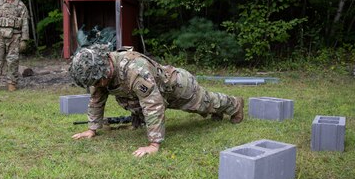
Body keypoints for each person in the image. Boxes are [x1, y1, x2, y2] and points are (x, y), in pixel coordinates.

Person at [69, 44, 244, 158]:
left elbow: (152, 105)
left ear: (106, 67)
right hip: (157, 90)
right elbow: (96, 99)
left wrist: (154, 144)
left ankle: (235, 104)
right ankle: (218, 112)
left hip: (177, 87)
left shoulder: (135, 70)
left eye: (98, 81)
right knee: (206, 106)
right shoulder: (100, 73)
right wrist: (92, 129)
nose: (98, 85)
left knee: (206, 103)